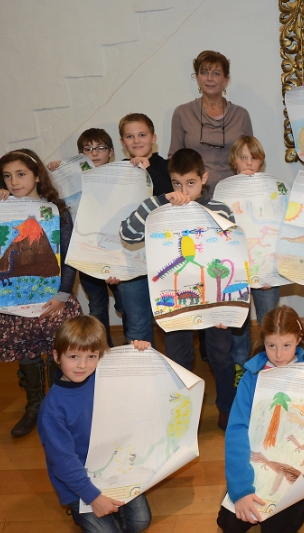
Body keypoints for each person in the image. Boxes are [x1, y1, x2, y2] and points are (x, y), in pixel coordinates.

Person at [119, 148, 237, 429]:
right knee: (179, 357)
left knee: (221, 355)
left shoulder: (219, 209)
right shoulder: (159, 208)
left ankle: (227, 409)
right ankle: (185, 414)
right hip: (174, 299)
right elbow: (127, 234)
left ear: (204, 178)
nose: (184, 191)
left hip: (214, 299)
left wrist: (230, 307)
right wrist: (160, 201)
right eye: (177, 183)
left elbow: (234, 253)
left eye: (191, 183)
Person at [0, 149, 83, 437]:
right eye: (7, 176)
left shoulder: (57, 211)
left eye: (21, 174)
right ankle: (34, 406)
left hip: (53, 298)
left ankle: (59, 406)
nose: (14, 182)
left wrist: (63, 294)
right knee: (25, 351)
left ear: (38, 176)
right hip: (14, 300)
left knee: (59, 351)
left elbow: (69, 255)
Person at [218, 306, 304, 533]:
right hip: (260, 459)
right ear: (263, 341)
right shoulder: (251, 378)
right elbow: (237, 431)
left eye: (287, 345)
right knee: (230, 525)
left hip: (296, 464)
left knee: (275, 529)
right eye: (271, 345)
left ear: (299, 339)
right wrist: (241, 490)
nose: (279, 355)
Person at [37, 316, 152, 533]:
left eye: (91, 356)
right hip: (77, 483)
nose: (82, 365)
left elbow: (137, 376)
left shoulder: (104, 377)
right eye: (73, 356)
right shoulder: (52, 409)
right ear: (57, 357)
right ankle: (81, 511)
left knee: (140, 522)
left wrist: (140, 352)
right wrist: (93, 498)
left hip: (114, 468)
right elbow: (63, 462)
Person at [48, 128, 124, 347]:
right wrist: (57, 171)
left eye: (100, 148)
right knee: (97, 305)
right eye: (88, 149)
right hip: (86, 252)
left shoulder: (120, 175)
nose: (94, 153)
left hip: (116, 251)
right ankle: (102, 349)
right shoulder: (71, 180)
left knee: (125, 304)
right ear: (80, 155)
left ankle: (130, 346)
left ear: (111, 152)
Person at [113, 113, 173, 346]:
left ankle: (174, 368)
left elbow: (172, 198)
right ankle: (143, 368)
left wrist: (149, 171)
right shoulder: (117, 171)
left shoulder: (167, 167)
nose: (136, 141)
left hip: (165, 257)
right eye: (130, 136)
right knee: (137, 325)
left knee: (171, 322)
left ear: (153, 138)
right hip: (130, 259)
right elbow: (109, 215)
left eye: (142, 135)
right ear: (122, 142)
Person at [225, 136, 281, 387]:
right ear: (234, 161)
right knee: (239, 320)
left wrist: (272, 273)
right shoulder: (224, 191)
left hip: (265, 269)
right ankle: (240, 365)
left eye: (254, 158)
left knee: (269, 318)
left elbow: (279, 230)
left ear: (261, 162)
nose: (249, 163)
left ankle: (268, 362)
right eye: (243, 158)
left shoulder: (272, 191)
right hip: (236, 269)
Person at [169, 50, 254, 191]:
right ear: (197, 78)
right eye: (204, 73)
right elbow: (174, 159)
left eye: (216, 73)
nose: (209, 78)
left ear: (225, 80)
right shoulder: (182, 113)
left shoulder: (241, 115)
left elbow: (251, 157)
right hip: (194, 195)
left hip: (234, 192)